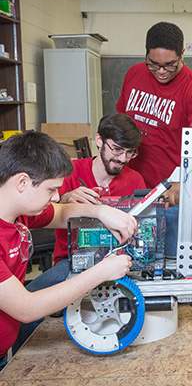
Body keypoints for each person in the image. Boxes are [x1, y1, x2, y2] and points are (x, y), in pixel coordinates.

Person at [0, 131, 136, 370]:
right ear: (22, 182)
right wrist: (101, 272)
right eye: (51, 189)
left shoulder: (16, 211)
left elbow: (61, 213)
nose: (56, 197)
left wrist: (102, 212)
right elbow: (26, 308)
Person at [116, 21, 192, 255]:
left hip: (175, 195)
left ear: (182, 54)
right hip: (134, 191)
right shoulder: (134, 74)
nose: (161, 71)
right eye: (154, 64)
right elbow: (122, 124)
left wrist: (181, 182)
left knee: (176, 265)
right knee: (134, 264)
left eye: (170, 65)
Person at [25, 113, 146, 294]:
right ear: (99, 140)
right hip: (71, 261)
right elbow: (39, 211)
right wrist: (64, 197)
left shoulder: (135, 180)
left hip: (120, 260)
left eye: (129, 152)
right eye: (117, 149)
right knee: (35, 297)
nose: (123, 158)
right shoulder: (70, 173)